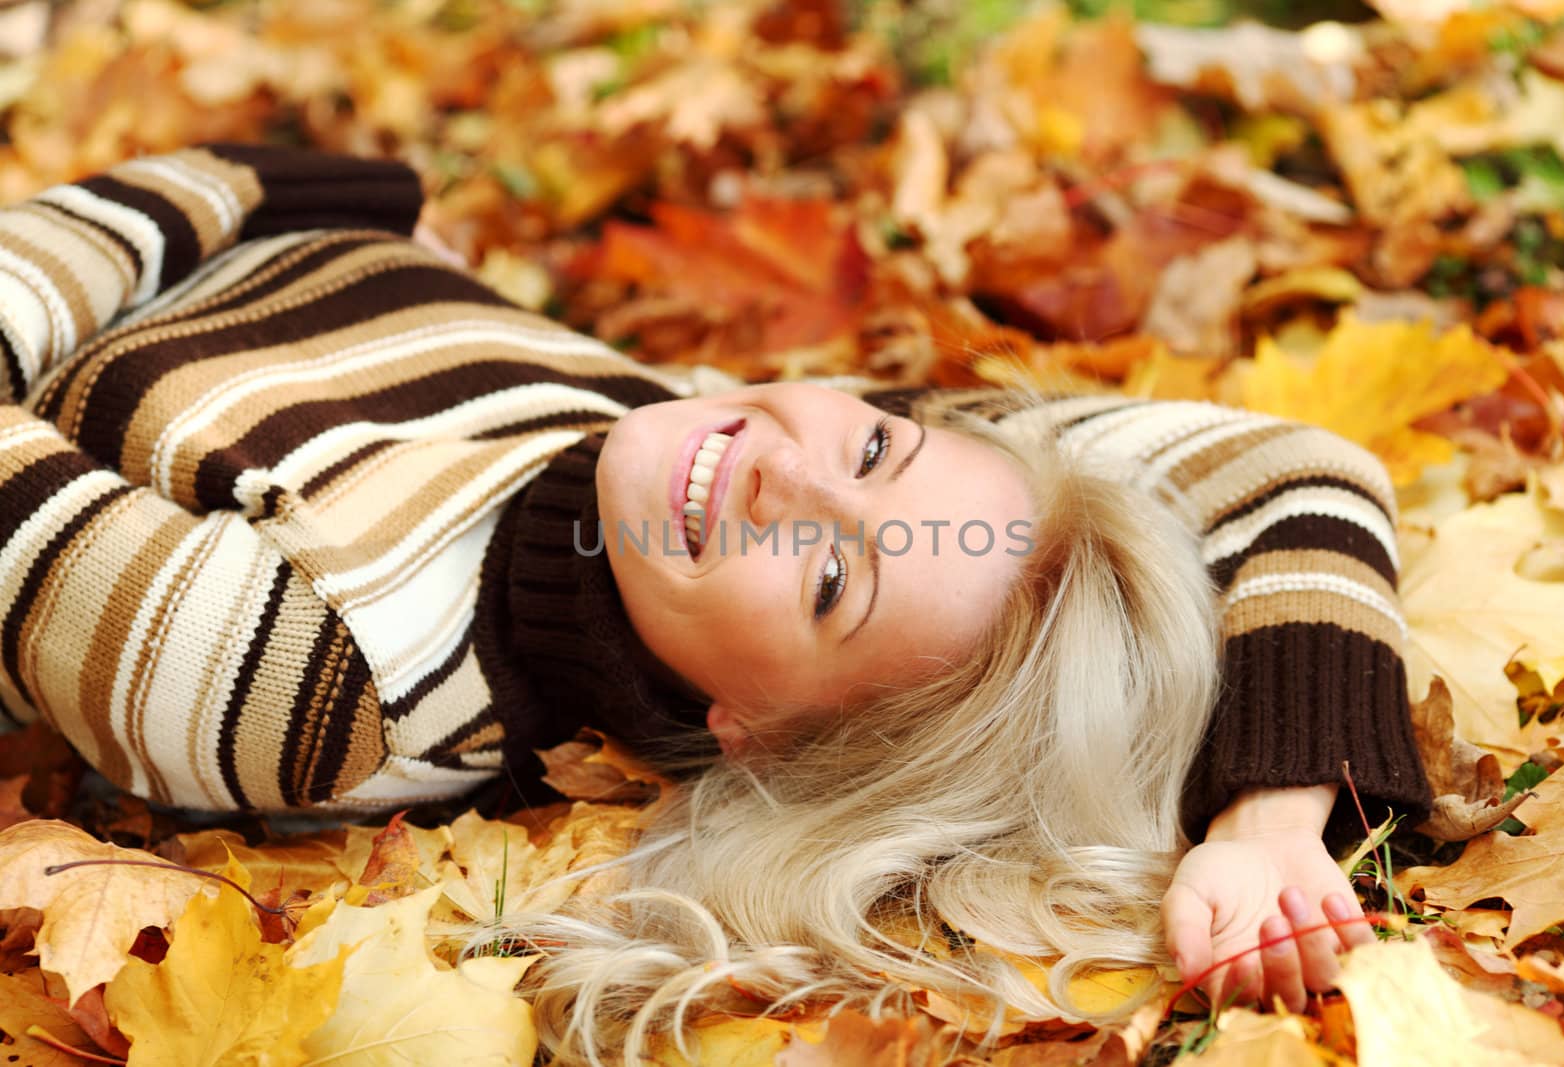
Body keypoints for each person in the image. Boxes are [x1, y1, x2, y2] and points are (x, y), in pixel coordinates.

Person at [0, 145, 1431, 1059]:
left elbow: (270, 190)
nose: (787, 470)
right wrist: (1278, 807)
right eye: (881, 439)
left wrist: (208, 200)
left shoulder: (309, 681)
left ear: (750, 730)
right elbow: (1297, 467)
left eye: (826, 580)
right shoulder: (690, 448)